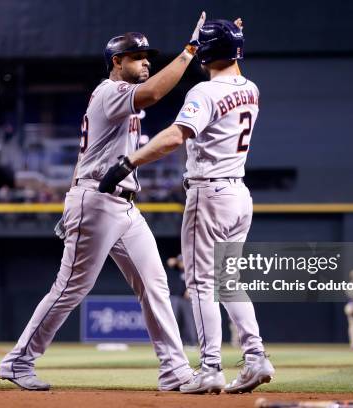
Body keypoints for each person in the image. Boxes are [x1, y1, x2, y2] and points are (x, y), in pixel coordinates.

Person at [0, 12, 209, 392]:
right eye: (138, 56)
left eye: (148, 56)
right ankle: (18, 361)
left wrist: (72, 197)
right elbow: (156, 93)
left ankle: (175, 371)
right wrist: (189, 52)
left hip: (122, 205)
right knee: (71, 287)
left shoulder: (121, 99)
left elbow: (89, 155)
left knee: (155, 283)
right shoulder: (110, 92)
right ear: (117, 61)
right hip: (97, 200)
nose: (146, 62)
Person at [99, 18, 275, 394]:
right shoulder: (252, 89)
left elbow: (175, 136)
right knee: (228, 283)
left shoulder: (203, 92)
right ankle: (256, 357)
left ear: (207, 52)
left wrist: (130, 161)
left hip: (209, 194)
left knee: (199, 284)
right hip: (240, 194)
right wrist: (226, 34)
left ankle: (210, 367)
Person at [166, 254, 197, 347]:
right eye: (180, 261)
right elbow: (169, 261)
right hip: (174, 298)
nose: (181, 263)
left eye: (183, 261)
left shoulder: (190, 271)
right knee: (173, 320)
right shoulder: (174, 269)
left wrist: (190, 289)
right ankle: (175, 343)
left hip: (186, 299)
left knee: (188, 321)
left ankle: (191, 343)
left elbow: (195, 281)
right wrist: (177, 260)